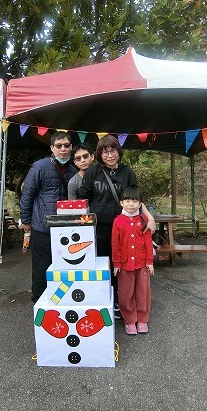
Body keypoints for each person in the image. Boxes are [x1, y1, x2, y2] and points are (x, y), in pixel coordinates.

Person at [77, 135, 156, 319]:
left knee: (122, 265)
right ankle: (105, 299)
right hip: (99, 228)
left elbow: (136, 199)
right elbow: (82, 199)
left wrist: (150, 218)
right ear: (99, 154)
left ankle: (123, 301)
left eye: (113, 151)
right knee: (102, 264)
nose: (109, 155)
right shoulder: (93, 171)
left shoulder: (127, 172)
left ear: (119, 152)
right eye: (105, 152)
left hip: (124, 228)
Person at [19, 131, 77, 303]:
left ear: (71, 147)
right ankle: (39, 301)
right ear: (52, 148)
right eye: (59, 146)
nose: (63, 149)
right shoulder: (40, 166)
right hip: (42, 226)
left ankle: (59, 301)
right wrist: (26, 220)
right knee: (41, 266)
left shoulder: (74, 169)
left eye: (66, 145)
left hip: (65, 228)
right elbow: (27, 194)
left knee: (64, 264)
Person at [111, 187, 154, 335]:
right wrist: (116, 263)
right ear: (121, 203)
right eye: (127, 201)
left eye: (135, 201)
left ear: (140, 204)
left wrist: (149, 261)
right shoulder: (118, 221)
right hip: (124, 265)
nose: (131, 204)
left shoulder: (144, 220)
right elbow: (115, 244)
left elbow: (148, 242)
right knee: (126, 293)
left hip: (142, 265)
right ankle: (129, 320)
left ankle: (142, 319)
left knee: (143, 293)